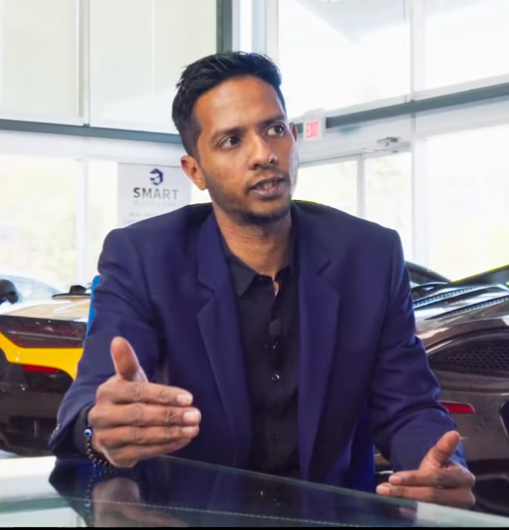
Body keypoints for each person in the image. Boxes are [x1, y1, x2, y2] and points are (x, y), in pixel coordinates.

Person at [49, 51, 475, 509]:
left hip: (328, 518)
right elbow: (88, 401)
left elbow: (408, 405)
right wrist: (99, 429)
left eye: (274, 130)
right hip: (190, 518)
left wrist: (438, 467)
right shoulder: (145, 258)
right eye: (232, 140)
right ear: (195, 171)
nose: (264, 154)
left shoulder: (369, 255)